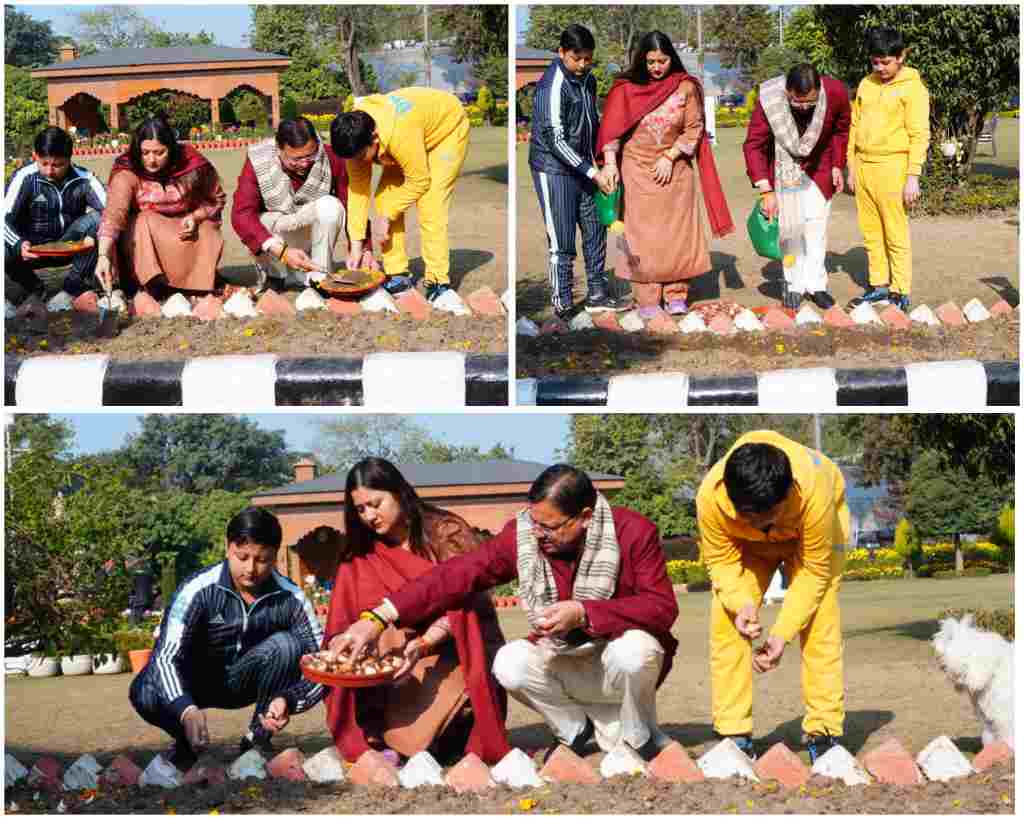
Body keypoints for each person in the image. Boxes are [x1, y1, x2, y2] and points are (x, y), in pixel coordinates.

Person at [334, 464, 679, 762]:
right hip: (562, 658)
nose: (539, 535)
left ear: (585, 518)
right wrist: (377, 618)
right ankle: (573, 728)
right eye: (535, 523)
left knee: (635, 649)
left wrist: (583, 611)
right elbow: (457, 574)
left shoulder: (633, 532)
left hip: (616, 662)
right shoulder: (526, 536)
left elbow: (662, 607)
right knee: (508, 661)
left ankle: (637, 733)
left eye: (550, 527)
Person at [321, 458, 510, 764]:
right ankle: (382, 733)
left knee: (414, 732)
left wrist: (424, 643)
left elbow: (469, 600)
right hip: (393, 657)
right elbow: (343, 623)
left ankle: (430, 736)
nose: (369, 516)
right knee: (377, 641)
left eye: (375, 503)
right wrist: (342, 645)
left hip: (454, 648)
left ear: (399, 492)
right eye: (360, 509)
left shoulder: (445, 533)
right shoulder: (359, 555)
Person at [129, 507, 325, 772]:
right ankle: (188, 741)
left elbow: (323, 666)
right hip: (195, 682)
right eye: (242, 556)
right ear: (227, 547)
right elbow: (165, 657)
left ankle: (257, 740)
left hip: (248, 679)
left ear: (275, 556)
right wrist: (185, 708)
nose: (251, 569)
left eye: (262, 559)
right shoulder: (198, 590)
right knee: (144, 688)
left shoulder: (291, 598)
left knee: (286, 645)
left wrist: (289, 699)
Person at [696, 431, 849, 763]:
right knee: (725, 621)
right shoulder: (710, 496)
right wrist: (742, 605)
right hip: (746, 548)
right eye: (754, 518)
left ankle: (824, 732)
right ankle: (733, 734)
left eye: (772, 516)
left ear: (789, 492)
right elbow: (721, 563)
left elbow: (814, 573)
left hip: (811, 541)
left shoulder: (812, 486)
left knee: (821, 618)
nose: (766, 525)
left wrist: (781, 635)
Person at [596, 31, 734, 319]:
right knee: (642, 236)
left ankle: (676, 295)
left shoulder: (685, 88)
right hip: (637, 173)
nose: (657, 67)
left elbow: (694, 128)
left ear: (672, 58)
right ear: (641, 60)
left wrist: (670, 156)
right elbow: (612, 131)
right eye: (650, 62)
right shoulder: (626, 88)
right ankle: (646, 298)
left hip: (675, 173)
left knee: (677, 235)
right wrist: (610, 164)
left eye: (662, 60)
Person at [330, 88, 469, 306]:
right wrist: (356, 245)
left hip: (445, 130)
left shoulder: (399, 132)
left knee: (430, 204)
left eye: (360, 156)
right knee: (385, 198)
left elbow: (420, 180)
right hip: (411, 134)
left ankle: (437, 282)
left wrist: (386, 216)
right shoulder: (353, 136)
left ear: (374, 137)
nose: (357, 162)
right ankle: (397, 275)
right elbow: (357, 192)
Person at [529, 25, 632, 320]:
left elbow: (592, 123)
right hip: (553, 170)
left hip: (586, 169)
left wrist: (602, 163)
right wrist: (592, 171)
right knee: (562, 240)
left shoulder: (587, 79)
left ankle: (597, 294)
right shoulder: (552, 85)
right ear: (562, 53)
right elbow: (554, 138)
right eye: (577, 58)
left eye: (588, 59)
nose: (583, 65)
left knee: (595, 227)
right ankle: (562, 307)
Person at [743, 64, 851, 311]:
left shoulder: (834, 92)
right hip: (784, 170)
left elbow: (841, 129)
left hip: (820, 167)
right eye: (796, 101)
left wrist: (837, 165)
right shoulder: (770, 97)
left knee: (816, 228)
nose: (803, 107)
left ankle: (816, 285)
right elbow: (754, 144)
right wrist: (766, 189)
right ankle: (793, 284)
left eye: (810, 102)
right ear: (786, 91)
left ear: (819, 91)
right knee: (790, 231)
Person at [233, 117, 371, 291]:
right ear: (279, 149)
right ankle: (275, 274)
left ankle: (319, 276)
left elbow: (353, 205)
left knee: (331, 206)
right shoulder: (258, 161)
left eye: (310, 155)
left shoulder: (330, 156)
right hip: (277, 240)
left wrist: (364, 249)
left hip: (310, 235)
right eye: (296, 159)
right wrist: (282, 252)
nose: (305, 163)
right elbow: (241, 214)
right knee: (258, 220)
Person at [96, 115, 226, 299]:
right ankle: (153, 286)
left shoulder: (192, 164)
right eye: (145, 153)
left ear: (171, 149)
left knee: (208, 229)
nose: (152, 160)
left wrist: (196, 217)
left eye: (159, 153)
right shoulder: (126, 171)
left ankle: (195, 286)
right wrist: (103, 255)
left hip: (184, 230)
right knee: (143, 220)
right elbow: (113, 216)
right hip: (145, 238)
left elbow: (215, 199)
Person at [847, 27, 930, 314]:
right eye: (875, 62)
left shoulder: (913, 88)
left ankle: (900, 289)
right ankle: (879, 284)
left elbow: (919, 134)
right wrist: (850, 167)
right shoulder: (866, 84)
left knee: (895, 231)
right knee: (871, 232)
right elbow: (854, 127)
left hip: (894, 166)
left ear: (901, 57)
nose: (880, 68)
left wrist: (912, 177)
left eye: (886, 62)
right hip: (864, 167)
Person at [4, 126, 107, 302]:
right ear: (35, 156)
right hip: (31, 248)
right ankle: (33, 287)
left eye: (57, 165)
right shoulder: (25, 177)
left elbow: (110, 212)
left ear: (69, 158)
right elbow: (3, 219)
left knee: (99, 220)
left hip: (68, 243)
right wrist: (19, 244)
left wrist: (94, 237)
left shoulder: (84, 179)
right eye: (44, 163)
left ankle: (72, 287)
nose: (50, 171)